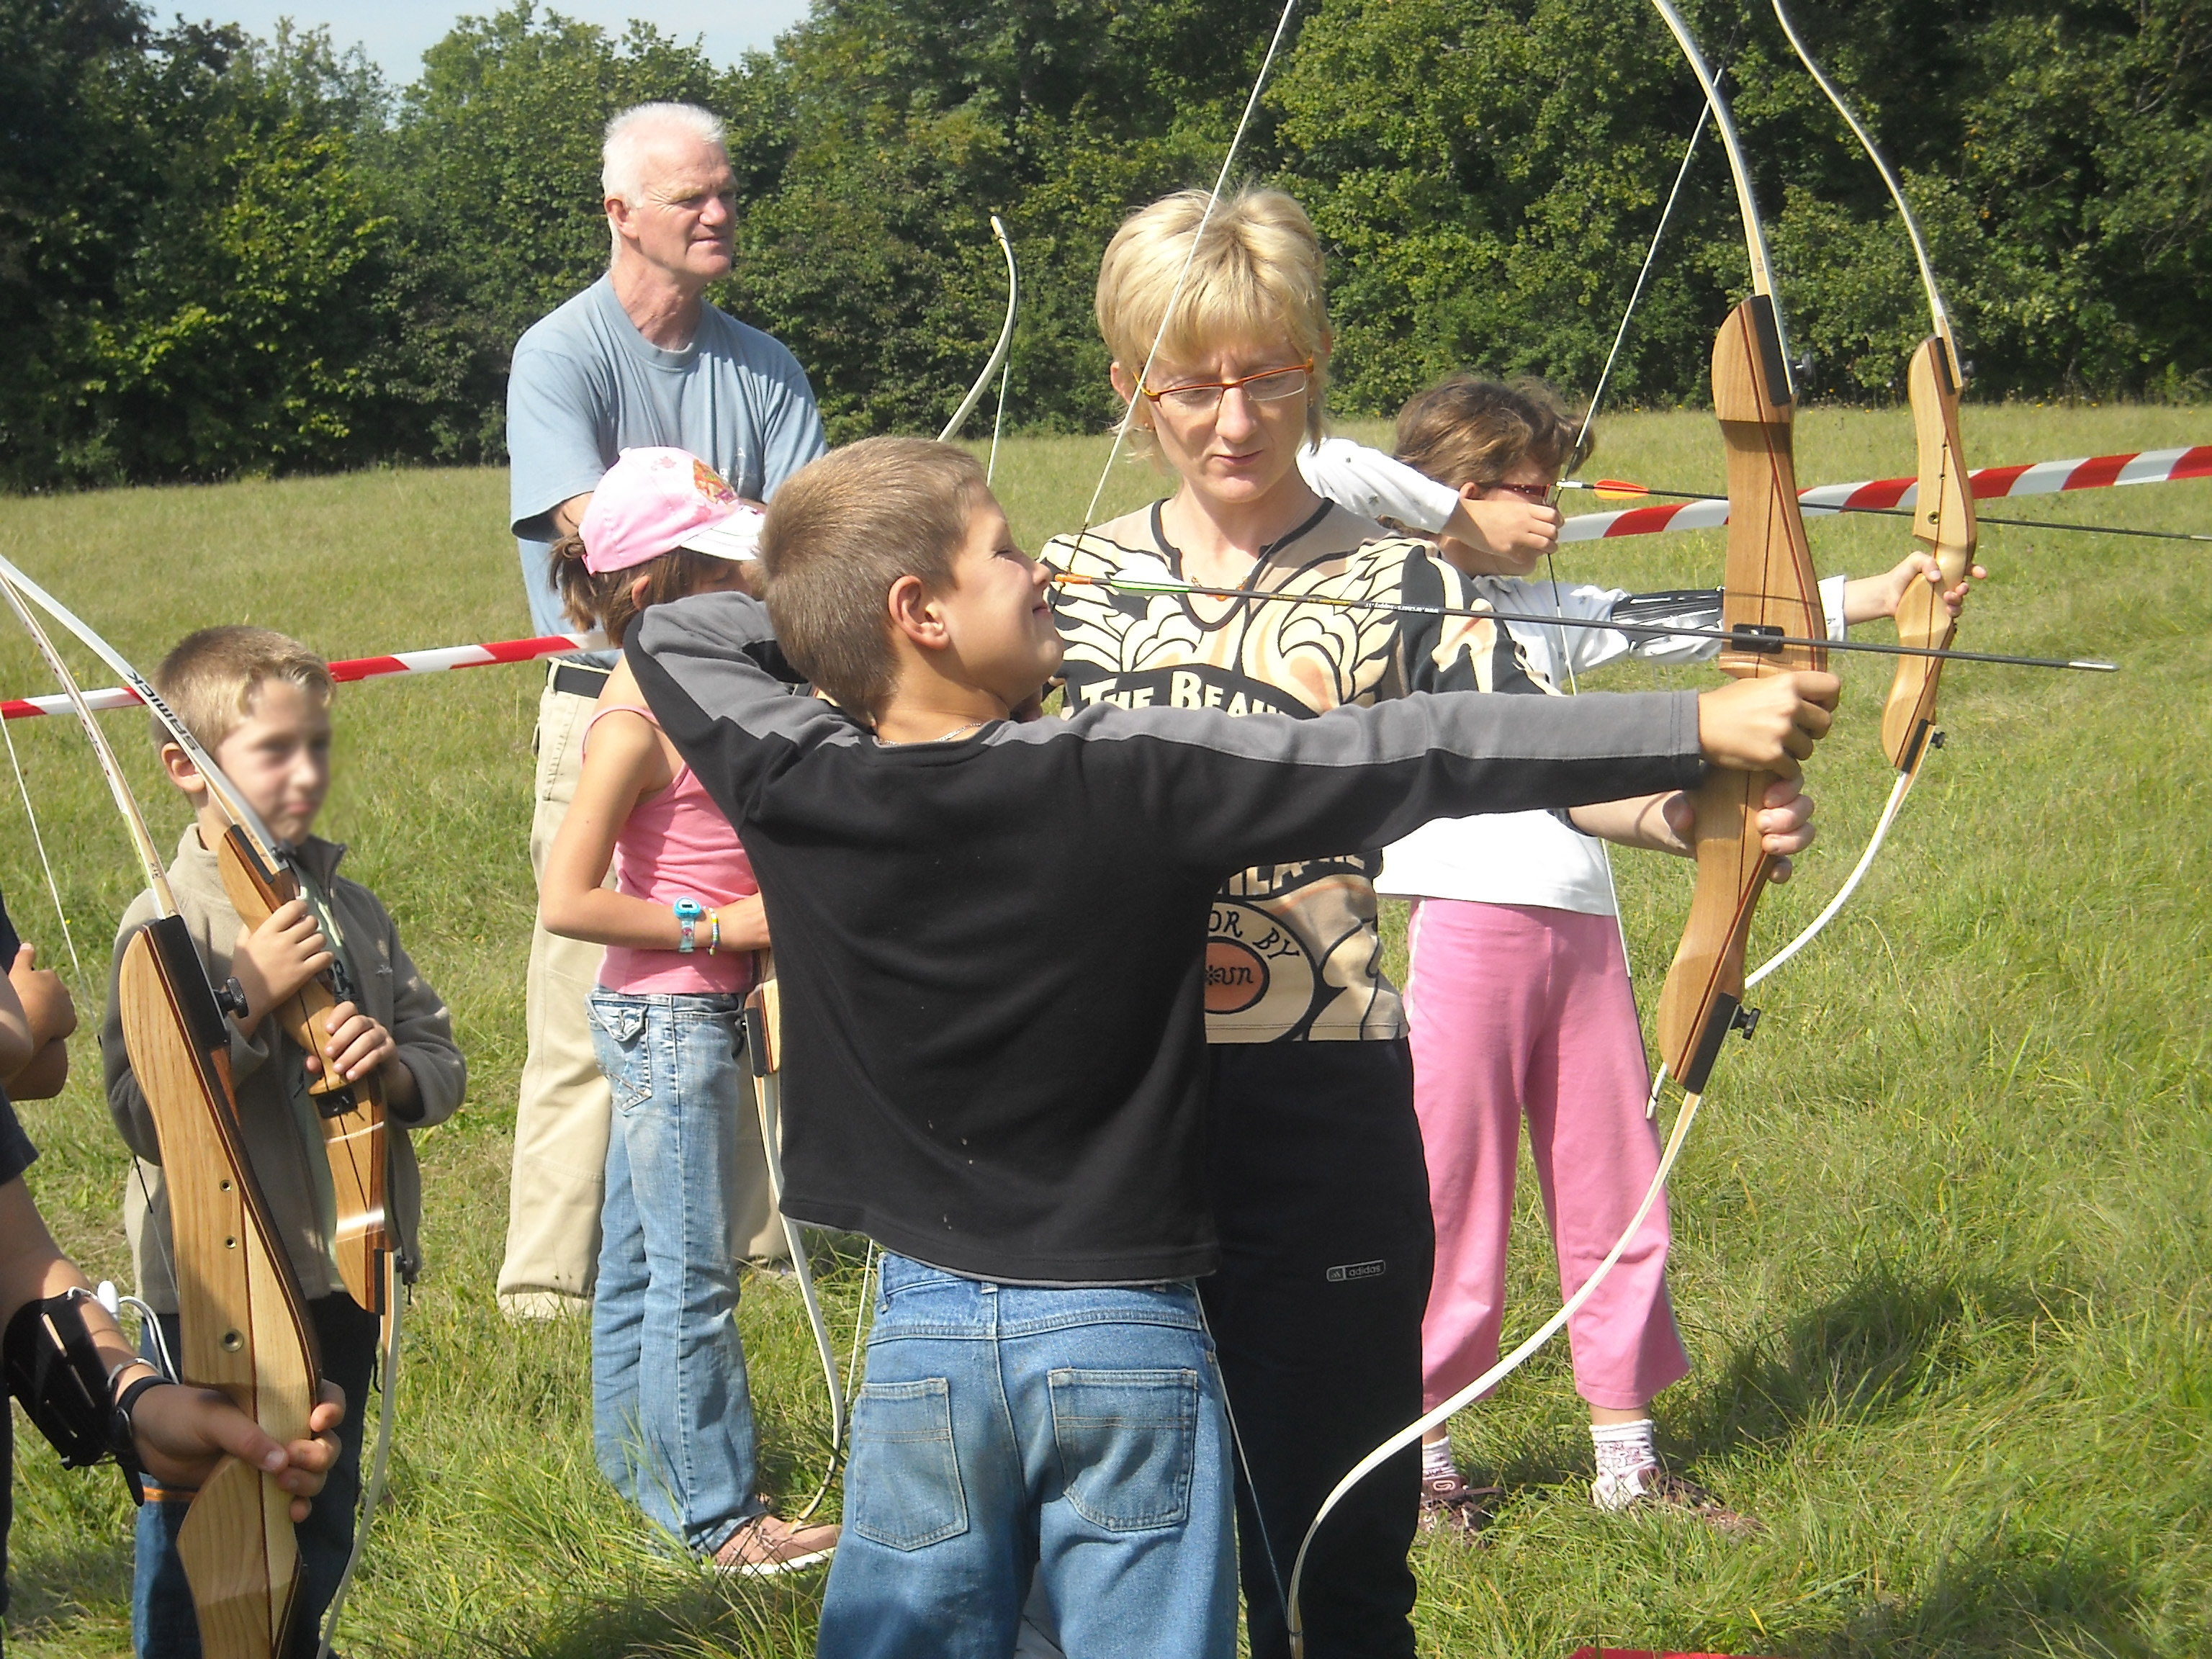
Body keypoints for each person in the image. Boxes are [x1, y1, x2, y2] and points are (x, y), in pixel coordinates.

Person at [626, 434, 1835, 1659]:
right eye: (1004, 553)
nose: (1040, 569)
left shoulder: (792, 775)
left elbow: (675, 638)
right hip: (1117, 1330)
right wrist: (1697, 722)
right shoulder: (1119, 774)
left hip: (925, 1329)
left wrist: (836, 640)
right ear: (920, 611)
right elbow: (1409, 748)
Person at [1036, 188, 1821, 1659]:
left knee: (1338, 1534)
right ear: (1129, 384)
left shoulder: (1406, 578)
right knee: (1121, 1526)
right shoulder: (1066, 587)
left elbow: (1536, 753)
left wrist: (1705, 818)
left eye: (1267, 374)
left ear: (1316, 361)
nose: (1231, 419)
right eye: (1189, 381)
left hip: (1315, 1090)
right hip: (1103, 1109)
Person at [1357, 374, 1982, 1534]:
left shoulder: (1543, 608)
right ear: (1447, 490)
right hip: (1461, 929)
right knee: (1455, 1200)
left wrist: (1877, 590)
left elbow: (1700, 617)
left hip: (1581, 931)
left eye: (1554, 489)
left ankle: (1628, 1459)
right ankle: (1424, 1453)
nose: (1550, 514)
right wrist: (1441, 524)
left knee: (1617, 1188)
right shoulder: (1386, 593)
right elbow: (1333, 478)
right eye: (1525, 492)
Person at [500, 99, 829, 1317]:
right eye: (690, 195)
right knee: (590, 982)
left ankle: (754, 1246)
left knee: (751, 965)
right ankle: (548, 1280)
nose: (717, 212)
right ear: (619, 213)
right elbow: (595, 544)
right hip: (609, 706)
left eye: (725, 190)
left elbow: (805, 547)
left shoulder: (769, 366)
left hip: (752, 708)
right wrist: (720, 545)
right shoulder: (562, 352)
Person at [101, 627, 465, 1659]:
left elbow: (441, 1059)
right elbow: (140, 1112)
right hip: (217, 1290)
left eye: (320, 746)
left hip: (341, 1269)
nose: (305, 774)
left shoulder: (349, 908)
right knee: (213, 1530)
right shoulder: (167, 923)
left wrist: (388, 1067)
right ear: (185, 765)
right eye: (272, 751)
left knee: (317, 1514)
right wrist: (243, 1005)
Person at [536, 446, 837, 1574]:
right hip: (674, 1020)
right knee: (695, 1275)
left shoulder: (712, 692)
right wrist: (724, 931)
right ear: (653, 590)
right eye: (723, 572)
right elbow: (567, 901)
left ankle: (643, 1479)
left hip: (680, 1022)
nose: (749, 588)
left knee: (641, 1264)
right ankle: (718, 1519)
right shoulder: (633, 723)